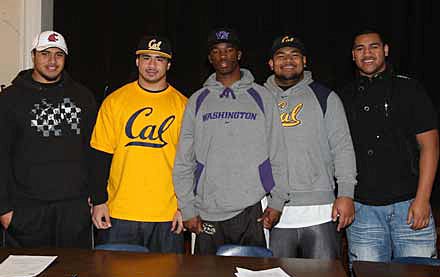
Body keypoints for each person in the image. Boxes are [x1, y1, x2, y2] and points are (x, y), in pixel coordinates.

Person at [172, 27, 289, 255]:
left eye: (228, 50)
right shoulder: (197, 100)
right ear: (209, 58)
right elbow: (184, 160)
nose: (222, 56)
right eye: (215, 51)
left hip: (252, 208)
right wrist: (187, 208)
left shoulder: (262, 96)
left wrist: (277, 201)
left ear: (239, 54)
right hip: (207, 209)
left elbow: (278, 153)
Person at [339, 28, 438, 265]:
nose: (367, 53)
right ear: (353, 56)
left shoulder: (410, 90)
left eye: (373, 46)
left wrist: (422, 200)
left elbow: (430, 147)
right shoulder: (342, 96)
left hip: (409, 207)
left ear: (385, 50)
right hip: (362, 212)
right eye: (360, 49)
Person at [0, 30, 97, 248]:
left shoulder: (83, 97)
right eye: (45, 54)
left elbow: (94, 151)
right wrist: (4, 210)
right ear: (33, 56)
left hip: (74, 211)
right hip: (27, 212)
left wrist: (96, 196)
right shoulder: (9, 99)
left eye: (58, 54)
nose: (52, 61)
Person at [90, 35, 187, 253]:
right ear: (137, 61)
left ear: (169, 64)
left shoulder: (183, 105)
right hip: (119, 212)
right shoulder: (115, 101)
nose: (151, 65)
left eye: (159, 59)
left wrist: (185, 207)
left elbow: (190, 163)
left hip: (167, 214)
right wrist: (98, 201)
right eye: (146, 58)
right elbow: (99, 156)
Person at [264, 34, 357, 259]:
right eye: (281, 55)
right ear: (271, 63)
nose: (288, 60)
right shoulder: (259, 98)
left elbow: (342, 147)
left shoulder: (325, 97)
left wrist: (346, 194)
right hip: (273, 210)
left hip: (320, 210)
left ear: (304, 61)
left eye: (295, 55)